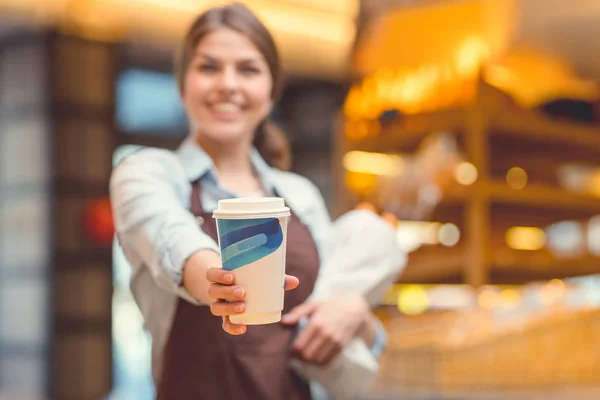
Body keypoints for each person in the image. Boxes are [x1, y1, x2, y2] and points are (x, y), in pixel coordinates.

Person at [110, 3, 386, 400]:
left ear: (271, 91)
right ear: (182, 83)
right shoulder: (147, 173)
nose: (228, 84)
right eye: (208, 67)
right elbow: (169, 236)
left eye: (248, 69)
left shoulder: (300, 197)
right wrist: (219, 283)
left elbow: (354, 332)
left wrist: (356, 314)